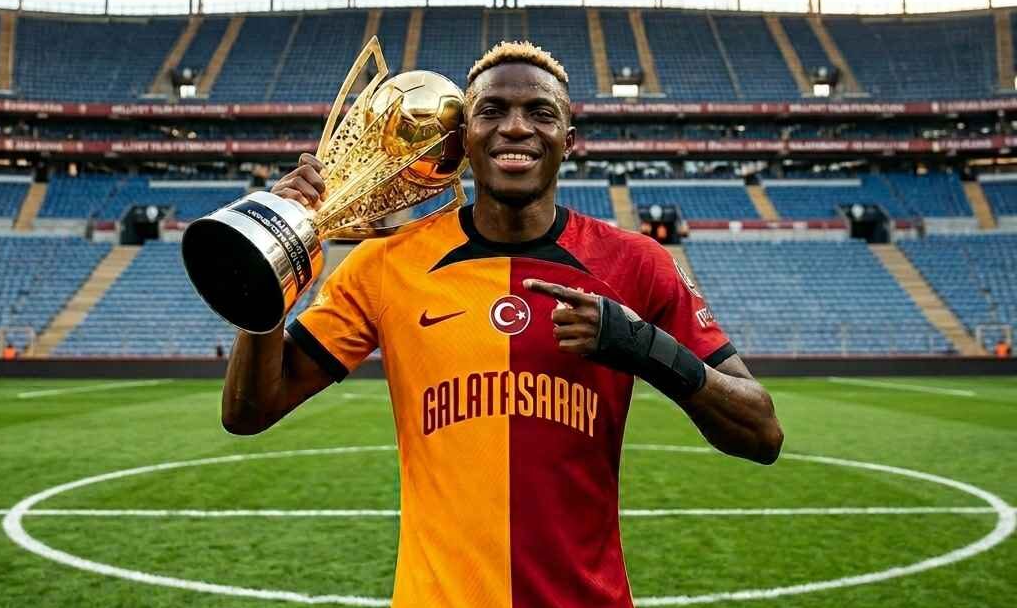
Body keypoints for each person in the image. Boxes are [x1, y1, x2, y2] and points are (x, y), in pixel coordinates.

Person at [222, 41, 783, 607]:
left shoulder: (636, 262)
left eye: (540, 113)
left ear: (568, 140)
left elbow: (761, 433)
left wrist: (643, 347)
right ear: (463, 137)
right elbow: (249, 411)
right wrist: (268, 266)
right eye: (491, 111)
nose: (515, 128)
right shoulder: (386, 265)